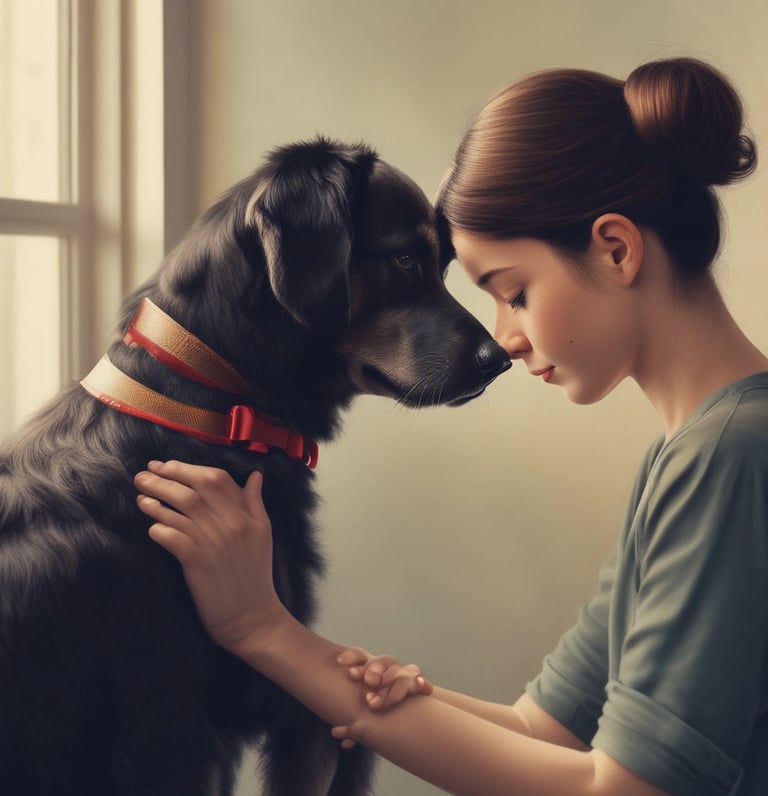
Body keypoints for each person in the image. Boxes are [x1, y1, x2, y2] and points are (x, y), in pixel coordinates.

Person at [133, 57, 768, 796]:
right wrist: (328, 667)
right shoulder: (699, 450)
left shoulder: (729, 459)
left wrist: (261, 631)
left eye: (514, 292)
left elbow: (622, 789)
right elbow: (541, 730)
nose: (504, 338)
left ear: (617, 248)